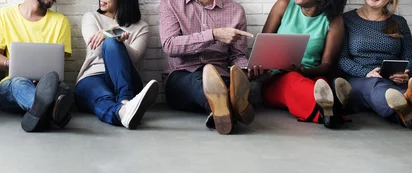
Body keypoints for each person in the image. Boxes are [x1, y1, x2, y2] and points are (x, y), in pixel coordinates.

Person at [159, 0, 255, 135]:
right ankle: (233, 104)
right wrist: (213, 35)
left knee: (224, 83)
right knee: (196, 82)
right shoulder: (170, 4)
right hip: (181, 75)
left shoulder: (235, 10)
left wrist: (246, 68)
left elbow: (237, 55)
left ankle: (221, 111)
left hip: (219, 74)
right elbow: (170, 45)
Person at [255, 0, 350, 129]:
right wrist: (257, 67)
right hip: (278, 78)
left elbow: (327, 64)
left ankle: (328, 111)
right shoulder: (284, 5)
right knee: (294, 81)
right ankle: (333, 108)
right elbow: (262, 47)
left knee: (320, 83)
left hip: (311, 74)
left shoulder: (334, 20)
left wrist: (304, 71)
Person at [0, 0, 73, 132]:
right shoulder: (3, 15)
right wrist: (11, 63)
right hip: (12, 85)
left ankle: (39, 112)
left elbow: (57, 65)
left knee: (63, 88)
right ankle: (50, 111)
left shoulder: (60, 21)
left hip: (44, 84)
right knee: (19, 83)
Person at [75, 0, 157, 129]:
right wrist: (110, 33)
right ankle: (123, 111)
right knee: (103, 97)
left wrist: (116, 35)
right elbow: (96, 50)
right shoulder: (91, 17)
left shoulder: (141, 27)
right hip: (93, 77)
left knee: (112, 43)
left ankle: (125, 99)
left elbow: (135, 57)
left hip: (124, 79)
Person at [339, 0, 412, 128]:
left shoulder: (399, 22)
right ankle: (404, 100)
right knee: (375, 86)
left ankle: (405, 113)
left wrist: (406, 73)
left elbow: (409, 56)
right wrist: (366, 72)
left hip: (393, 79)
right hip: (360, 79)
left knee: (393, 90)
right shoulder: (346, 19)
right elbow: (342, 58)